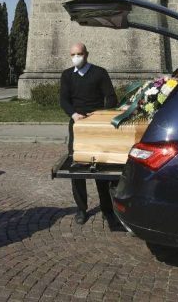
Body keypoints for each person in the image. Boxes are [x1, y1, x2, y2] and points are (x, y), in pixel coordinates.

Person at [59, 42, 118, 226]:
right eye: (73, 54)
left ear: (87, 54)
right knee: (77, 169)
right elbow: (63, 100)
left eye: (79, 53)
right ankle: (81, 209)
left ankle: (107, 209)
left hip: (97, 125)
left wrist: (100, 115)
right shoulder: (67, 75)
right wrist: (74, 114)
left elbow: (111, 97)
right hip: (77, 125)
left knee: (101, 168)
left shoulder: (100, 73)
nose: (76, 57)